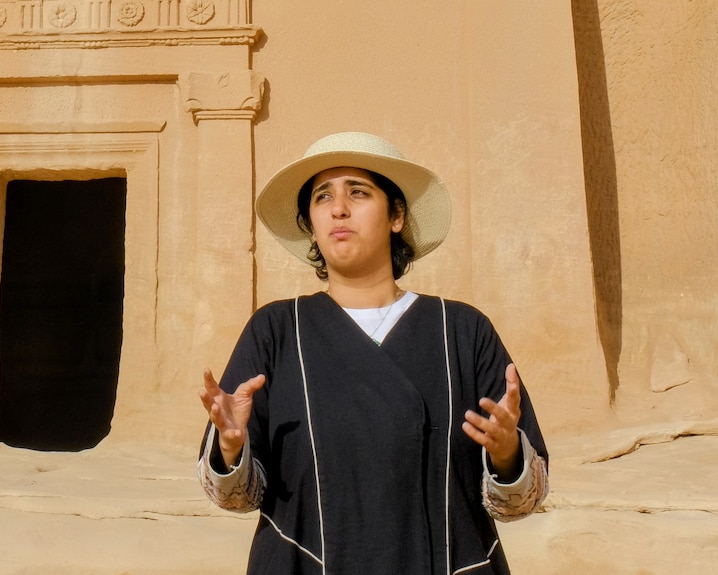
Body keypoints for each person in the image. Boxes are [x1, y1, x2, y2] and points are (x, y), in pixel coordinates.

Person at [197, 132, 549, 575]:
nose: (338, 208)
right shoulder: (277, 331)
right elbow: (234, 497)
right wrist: (231, 450)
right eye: (323, 197)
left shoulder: (460, 330)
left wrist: (505, 453)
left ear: (397, 215)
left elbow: (525, 500)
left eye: (357, 192)